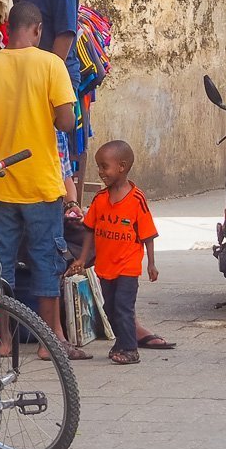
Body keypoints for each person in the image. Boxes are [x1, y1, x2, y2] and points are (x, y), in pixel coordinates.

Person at [0, 1, 89, 360]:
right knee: (45, 261)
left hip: (1, 184)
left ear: (7, 29)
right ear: (37, 31)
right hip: (42, 185)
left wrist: (3, 118)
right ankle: (47, 343)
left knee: (1, 263)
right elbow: (67, 123)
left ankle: (3, 340)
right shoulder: (51, 64)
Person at [69, 141, 162, 366]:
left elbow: (147, 234)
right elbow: (89, 230)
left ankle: (130, 349)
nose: (100, 173)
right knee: (109, 308)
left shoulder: (137, 199)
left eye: (104, 167)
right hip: (105, 266)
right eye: (99, 167)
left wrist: (151, 263)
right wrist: (82, 258)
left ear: (121, 166)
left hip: (127, 266)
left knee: (123, 306)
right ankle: (121, 342)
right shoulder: (100, 200)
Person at [16, 0, 84, 211]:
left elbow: (65, 34)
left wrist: (49, 77)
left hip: (54, 77)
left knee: (58, 145)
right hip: (35, 74)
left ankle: (67, 207)